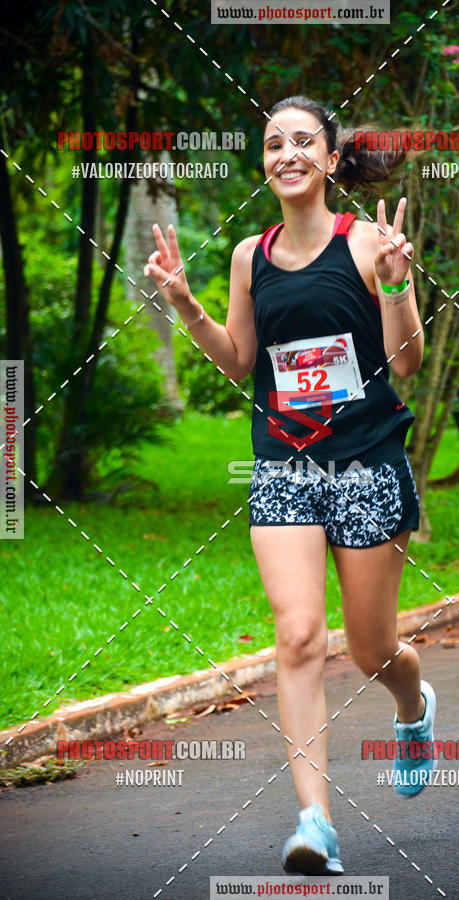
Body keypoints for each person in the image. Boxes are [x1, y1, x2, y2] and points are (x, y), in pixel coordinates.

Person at [144, 95, 437, 877]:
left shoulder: (368, 241)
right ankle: (317, 823)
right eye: (275, 143)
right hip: (283, 463)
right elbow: (239, 361)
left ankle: (412, 704)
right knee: (300, 634)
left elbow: (407, 363)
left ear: (332, 160)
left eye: (304, 141)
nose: (288, 154)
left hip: (367, 461)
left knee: (372, 651)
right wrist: (187, 306)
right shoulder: (251, 256)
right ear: (265, 163)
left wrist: (397, 286)